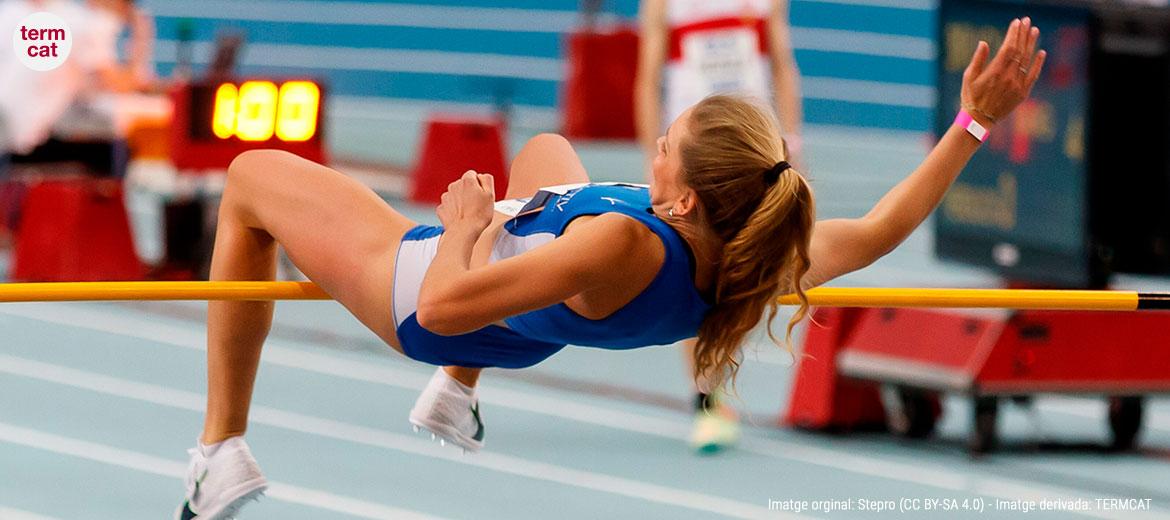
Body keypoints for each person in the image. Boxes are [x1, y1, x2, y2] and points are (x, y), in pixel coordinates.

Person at [176, 19, 1044, 519]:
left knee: (251, 180)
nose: (653, 148)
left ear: (683, 202)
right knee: (550, 150)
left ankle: (220, 450)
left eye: (665, 150)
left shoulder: (618, 244)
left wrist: (467, 229)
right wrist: (972, 123)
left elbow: (446, 308)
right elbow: (886, 227)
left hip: (424, 291)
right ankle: (457, 394)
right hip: (526, 322)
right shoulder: (755, 251)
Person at [635, 0, 804, 453]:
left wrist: (793, 142)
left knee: (745, 270)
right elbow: (648, 79)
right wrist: (654, 159)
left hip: (747, 158)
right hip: (690, 160)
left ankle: (712, 384)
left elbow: (784, 66)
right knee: (691, 271)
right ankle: (706, 396)